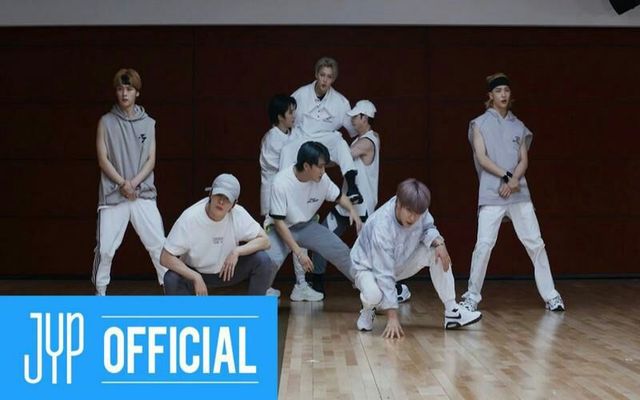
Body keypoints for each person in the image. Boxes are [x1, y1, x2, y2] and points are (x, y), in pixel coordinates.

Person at [460, 72, 564, 312]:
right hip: (491, 192)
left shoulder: (519, 126)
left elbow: (523, 160)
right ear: (490, 95)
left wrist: (514, 180)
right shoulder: (479, 124)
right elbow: (482, 158)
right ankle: (471, 297)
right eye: (498, 91)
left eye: (506, 90)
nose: (503, 95)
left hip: (518, 192)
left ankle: (552, 296)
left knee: (535, 243)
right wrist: (507, 177)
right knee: (483, 245)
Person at [352, 179, 482, 338]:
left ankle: (452, 311)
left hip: (398, 260)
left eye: (418, 213)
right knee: (374, 294)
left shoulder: (419, 209)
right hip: (367, 268)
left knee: (436, 253)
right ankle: (368, 308)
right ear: (398, 204)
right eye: (409, 211)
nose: (413, 217)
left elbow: (428, 228)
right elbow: (384, 272)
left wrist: (439, 243)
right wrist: (392, 318)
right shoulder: (382, 225)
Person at [310, 100, 411, 303]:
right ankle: (316, 282)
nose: (352, 121)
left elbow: (341, 158)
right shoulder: (360, 140)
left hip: (363, 208)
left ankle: (397, 289)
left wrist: (317, 155)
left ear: (365, 118)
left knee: (371, 255)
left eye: (355, 117)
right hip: (345, 206)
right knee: (321, 237)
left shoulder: (368, 142)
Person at [92, 68, 167, 295]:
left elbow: (151, 160)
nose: (124, 93)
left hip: (143, 193)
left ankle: (171, 292)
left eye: (129, 89)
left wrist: (133, 184)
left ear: (137, 92)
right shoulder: (106, 122)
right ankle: (100, 295)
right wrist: (123, 184)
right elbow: (103, 159)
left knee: (159, 246)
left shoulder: (149, 123)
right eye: (120, 89)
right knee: (106, 250)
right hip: (113, 195)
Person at [266, 141, 362, 301]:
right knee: (268, 261)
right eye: (320, 167)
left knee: (340, 250)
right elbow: (279, 222)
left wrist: (352, 210)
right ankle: (262, 292)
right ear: (306, 166)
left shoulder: (323, 179)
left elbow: (339, 197)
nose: (323, 171)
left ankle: (366, 287)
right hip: (281, 228)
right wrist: (298, 252)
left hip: (307, 226)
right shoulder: (281, 182)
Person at [161, 174, 274, 295]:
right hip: (196, 271)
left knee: (263, 260)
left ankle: (255, 306)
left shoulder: (238, 214)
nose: (221, 202)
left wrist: (237, 251)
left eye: (227, 198)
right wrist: (195, 276)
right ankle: (190, 307)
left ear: (233, 204)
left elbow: (265, 241)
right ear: (210, 194)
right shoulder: (190, 217)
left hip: (226, 271)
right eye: (219, 195)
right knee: (171, 278)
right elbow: (165, 257)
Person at [279, 56, 363, 205]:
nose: (325, 80)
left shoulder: (341, 102)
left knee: (340, 143)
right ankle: (282, 193)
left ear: (333, 79)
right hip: (302, 137)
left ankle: (352, 188)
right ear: (316, 74)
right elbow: (287, 118)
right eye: (322, 75)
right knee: (286, 150)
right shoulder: (300, 95)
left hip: (325, 139)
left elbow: (353, 130)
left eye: (329, 77)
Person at [259, 94, 307, 298]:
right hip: (275, 199)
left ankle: (301, 284)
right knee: (274, 246)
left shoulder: (292, 134)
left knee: (299, 238)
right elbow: (285, 168)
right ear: (280, 116)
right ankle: (263, 287)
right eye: (290, 112)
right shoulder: (271, 139)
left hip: (290, 199)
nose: (294, 115)